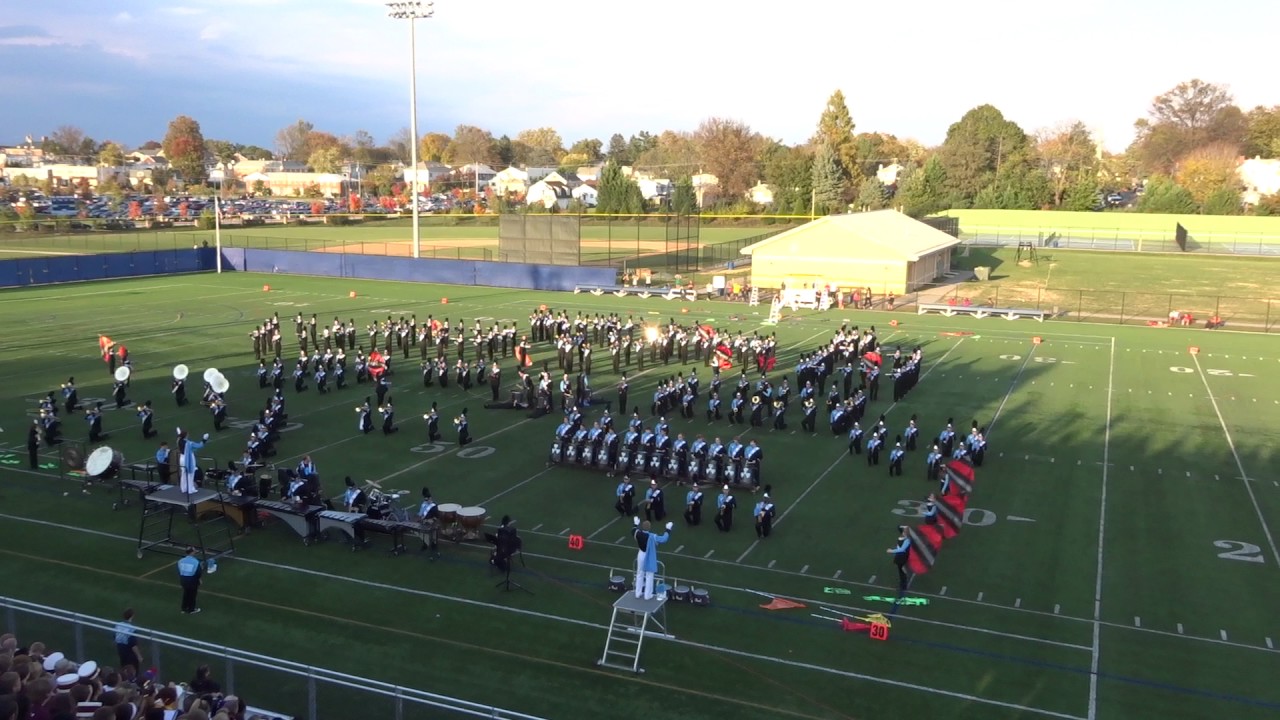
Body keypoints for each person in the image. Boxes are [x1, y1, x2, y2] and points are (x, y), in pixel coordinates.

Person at [632, 518, 672, 601]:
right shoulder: (652, 536)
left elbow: (633, 530)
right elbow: (663, 539)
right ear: (649, 528)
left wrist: (635, 523)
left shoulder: (638, 533)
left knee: (639, 574)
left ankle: (637, 593)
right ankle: (647, 595)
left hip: (641, 554)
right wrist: (668, 529)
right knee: (649, 575)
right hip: (649, 555)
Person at [114, 608, 141, 673]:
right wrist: (139, 656)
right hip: (129, 653)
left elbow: (115, 637)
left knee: (124, 667)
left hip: (120, 649)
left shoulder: (118, 625)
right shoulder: (132, 628)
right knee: (133, 670)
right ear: (132, 616)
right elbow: (133, 645)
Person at [177, 547, 203, 614]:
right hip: (192, 580)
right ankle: (191, 609)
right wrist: (199, 579)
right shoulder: (195, 561)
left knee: (186, 593)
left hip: (183, 579)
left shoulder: (181, 560)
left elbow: (179, 570)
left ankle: (184, 608)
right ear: (191, 552)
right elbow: (198, 572)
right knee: (192, 595)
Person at [886, 526, 911, 591]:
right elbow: (899, 548)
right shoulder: (904, 539)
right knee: (901, 570)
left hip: (902, 557)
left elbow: (902, 549)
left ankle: (903, 585)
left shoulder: (906, 540)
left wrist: (891, 551)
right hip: (900, 556)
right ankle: (903, 584)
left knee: (902, 571)